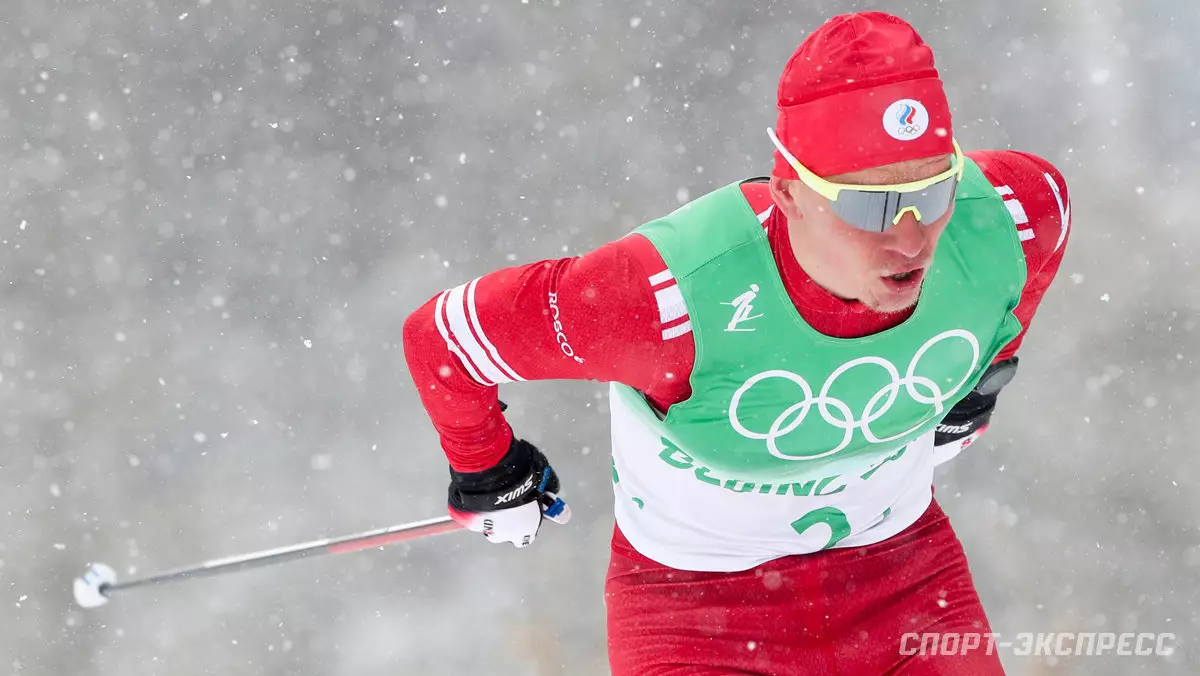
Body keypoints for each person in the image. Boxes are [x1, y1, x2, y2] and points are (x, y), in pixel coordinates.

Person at [403, 11, 1071, 675]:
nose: (911, 236)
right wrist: (489, 470)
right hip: (696, 620)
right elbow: (443, 339)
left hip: (906, 586)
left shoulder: (1007, 216)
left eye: (933, 190)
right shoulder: (664, 297)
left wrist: (982, 376)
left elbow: (1043, 230)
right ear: (788, 192)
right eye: (870, 206)